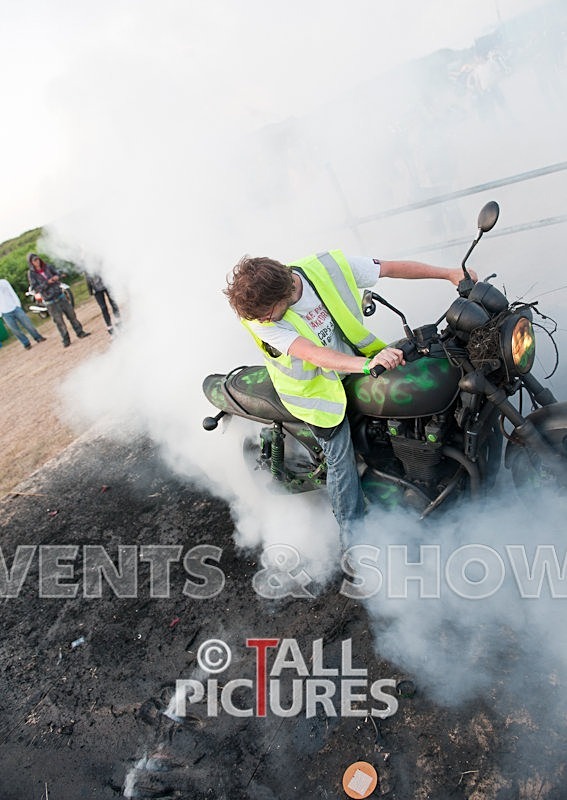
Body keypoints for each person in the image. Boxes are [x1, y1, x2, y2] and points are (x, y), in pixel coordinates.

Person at [224, 250, 474, 547]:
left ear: (284, 292)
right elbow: (315, 354)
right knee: (340, 458)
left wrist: (448, 273)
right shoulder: (259, 320)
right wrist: (367, 365)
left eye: (267, 312)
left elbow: (390, 267)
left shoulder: (326, 268)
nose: (263, 320)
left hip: (353, 366)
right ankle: (352, 539)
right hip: (314, 393)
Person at [27, 253, 90, 348]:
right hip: (49, 301)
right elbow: (36, 288)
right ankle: (66, 339)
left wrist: (57, 276)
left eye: (37, 259)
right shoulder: (31, 274)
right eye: (34, 260)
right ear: (31, 263)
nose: (37, 261)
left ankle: (80, 332)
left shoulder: (47, 266)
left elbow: (58, 272)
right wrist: (47, 283)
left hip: (60, 295)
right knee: (59, 322)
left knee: (72, 315)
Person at [0, 277, 47, 350]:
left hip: (14, 307)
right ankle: (26, 343)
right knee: (15, 330)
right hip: (5, 312)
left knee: (28, 324)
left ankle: (38, 337)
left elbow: (12, 292)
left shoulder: (3, 282)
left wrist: (17, 305)